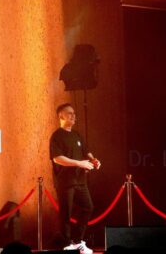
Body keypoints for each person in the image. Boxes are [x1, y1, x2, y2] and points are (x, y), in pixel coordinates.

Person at [50, 103, 101, 254]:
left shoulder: (77, 135)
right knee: (66, 213)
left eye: (74, 113)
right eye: (69, 113)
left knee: (88, 207)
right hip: (65, 182)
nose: (73, 116)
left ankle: (78, 241)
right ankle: (67, 244)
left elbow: (86, 152)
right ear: (61, 116)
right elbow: (57, 158)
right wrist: (79, 163)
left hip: (80, 181)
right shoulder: (57, 136)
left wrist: (94, 160)